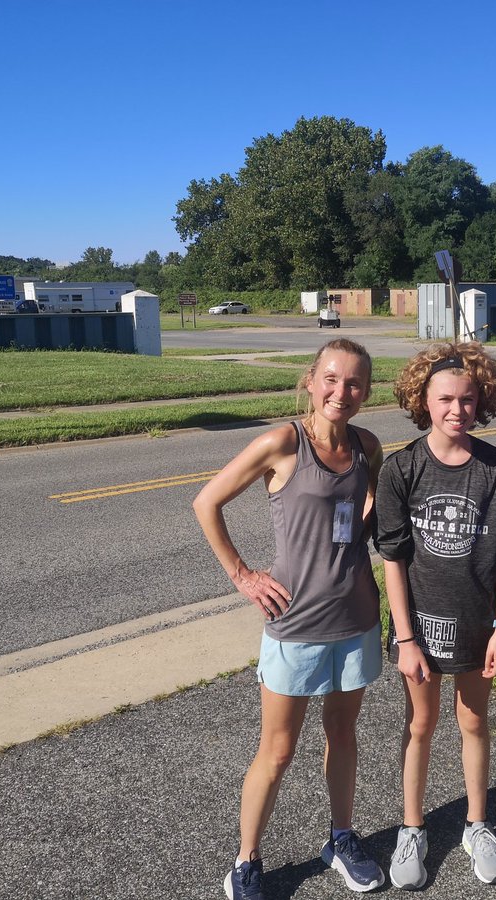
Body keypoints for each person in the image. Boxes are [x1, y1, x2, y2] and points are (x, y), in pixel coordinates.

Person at [193, 338, 387, 900]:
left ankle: (341, 838)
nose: (340, 392)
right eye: (331, 379)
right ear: (310, 381)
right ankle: (246, 860)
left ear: (365, 392)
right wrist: (244, 576)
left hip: (357, 619)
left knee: (343, 735)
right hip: (295, 625)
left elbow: (367, 508)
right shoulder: (283, 443)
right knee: (277, 752)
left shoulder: (365, 446)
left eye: (353, 384)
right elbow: (207, 503)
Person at [375, 342, 496, 889]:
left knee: (473, 722)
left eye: (466, 399)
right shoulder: (402, 469)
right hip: (421, 627)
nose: (456, 410)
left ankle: (476, 824)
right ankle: (411, 828)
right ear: (423, 400)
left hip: (479, 625)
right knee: (420, 724)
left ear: (481, 401)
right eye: (444, 399)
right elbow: (392, 560)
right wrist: (405, 639)